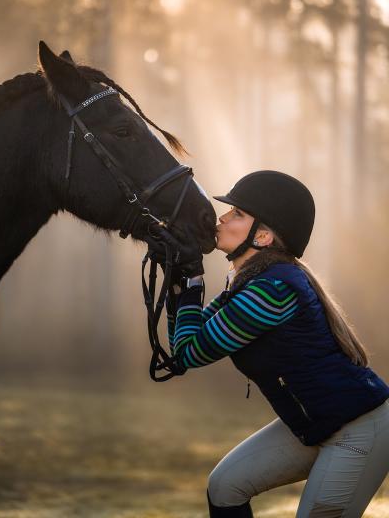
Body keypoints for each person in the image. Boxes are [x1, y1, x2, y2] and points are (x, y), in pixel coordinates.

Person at [164, 170, 389, 518]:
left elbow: (191, 352)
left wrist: (192, 280)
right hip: (317, 423)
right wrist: (182, 279)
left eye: (237, 213)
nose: (222, 217)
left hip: (358, 429)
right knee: (226, 487)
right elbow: (182, 352)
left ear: (264, 236)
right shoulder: (247, 283)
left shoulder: (272, 290)